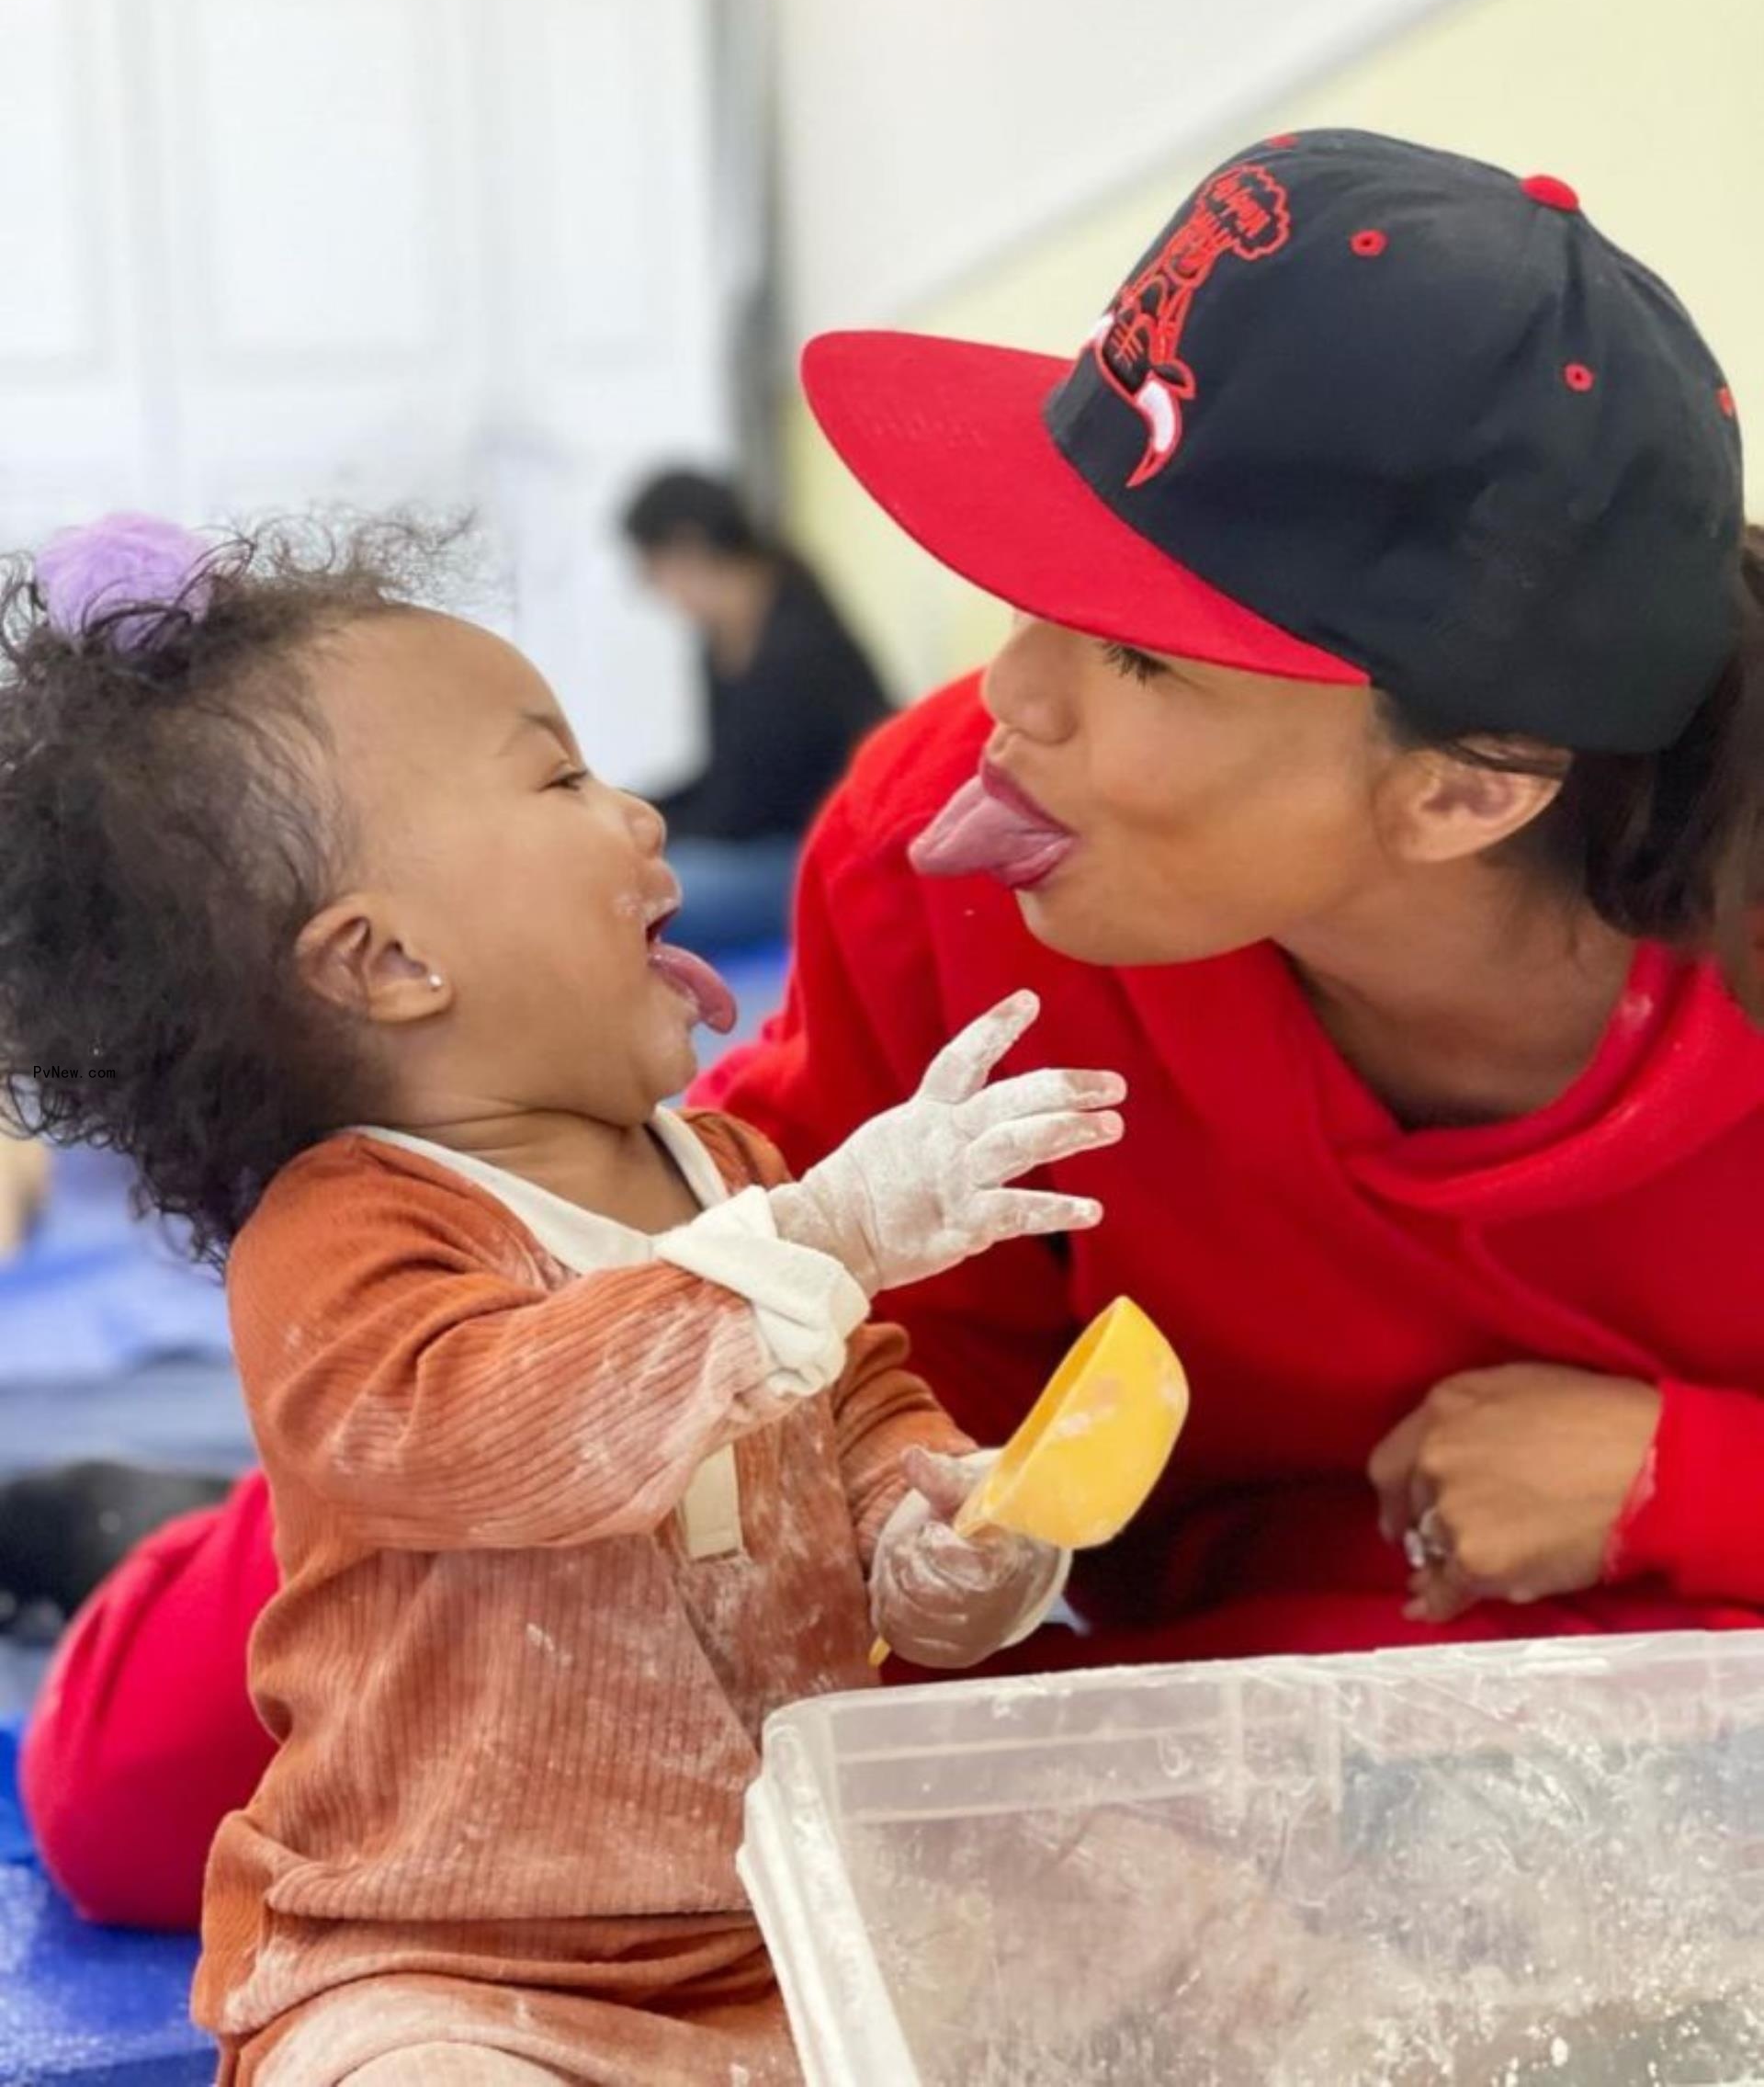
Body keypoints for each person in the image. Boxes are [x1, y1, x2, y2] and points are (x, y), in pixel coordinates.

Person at [21, 127, 1764, 1932]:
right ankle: (137, 1516)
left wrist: (1684, 1472)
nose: (1009, 695)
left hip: (1454, 1636)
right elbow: (823, 1484)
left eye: (1141, 658)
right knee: (141, 1783)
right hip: (996, 1530)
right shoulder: (961, 861)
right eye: (1044, 585)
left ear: (1470, 794)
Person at [0, 511, 1124, 2079]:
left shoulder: (724, 1165)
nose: (640, 811)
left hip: (779, 1928)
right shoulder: (345, 1238)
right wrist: (819, 1232)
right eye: (563, 779)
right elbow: (503, 1427)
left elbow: (852, 1396)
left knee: (1118, 1955)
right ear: (389, 964)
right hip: (453, 1960)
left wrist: (933, 1520)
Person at [621, 469, 890, 948]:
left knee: (648, 900)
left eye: (653, 569)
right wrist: (636, 808)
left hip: (827, 851)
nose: (657, 590)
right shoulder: (724, 637)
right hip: (772, 842)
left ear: (688, 547)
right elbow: (728, 779)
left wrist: (655, 829)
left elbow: (752, 809)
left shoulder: (796, 643)